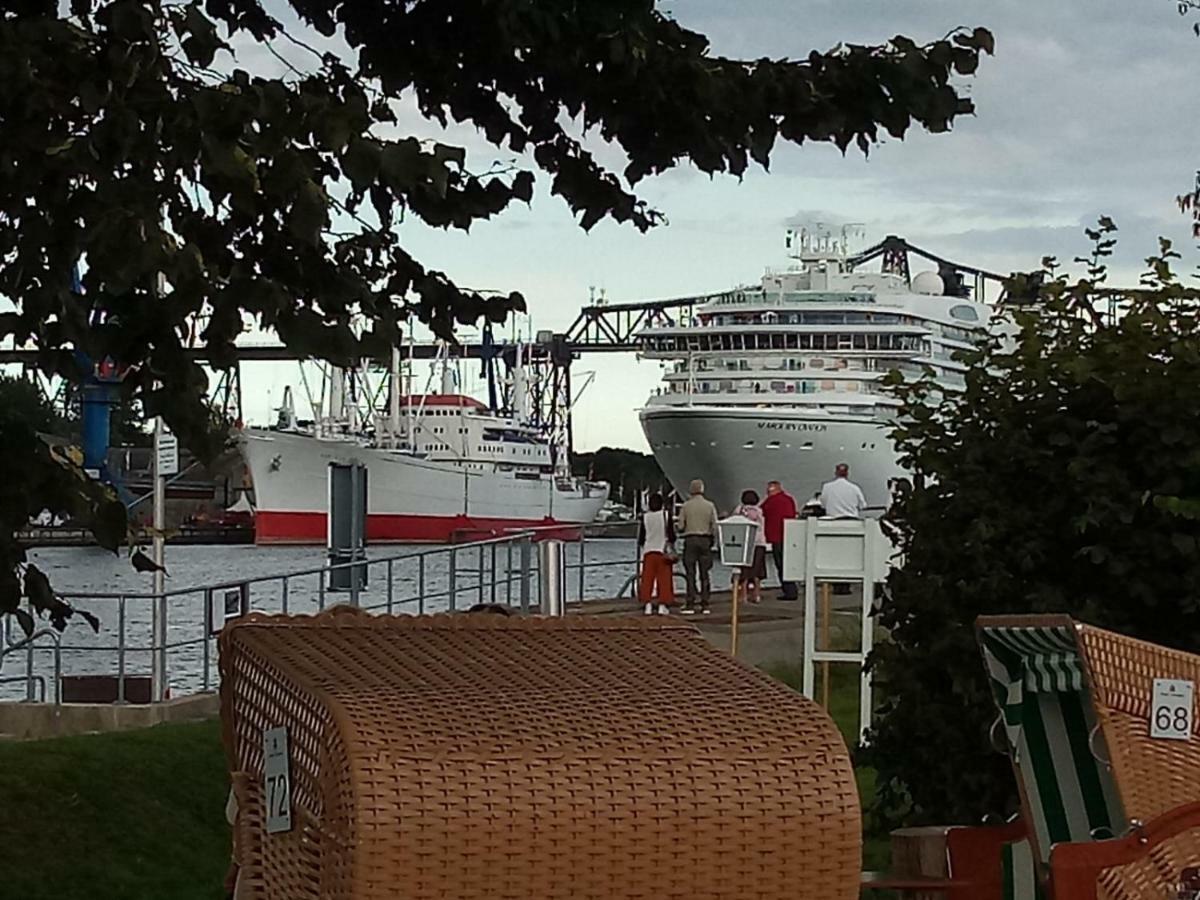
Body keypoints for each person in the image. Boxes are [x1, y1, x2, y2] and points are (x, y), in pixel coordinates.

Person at [676, 478, 718, 615]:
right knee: (705, 573)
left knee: (690, 573)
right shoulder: (710, 505)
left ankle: (690, 603)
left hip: (690, 539)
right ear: (702, 489)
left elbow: (681, 526)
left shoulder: (685, 506)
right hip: (705, 540)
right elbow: (715, 526)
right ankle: (705, 604)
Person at [637, 493, 676, 615]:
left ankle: (647, 604)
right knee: (664, 579)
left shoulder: (645, 517)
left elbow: (641, 538)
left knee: (647, 579)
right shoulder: (665, 515)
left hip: (649, 551)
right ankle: (662, 605)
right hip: (662, 551)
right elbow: (671, 534)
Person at [760, 480, 798, 600]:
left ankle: (789, 591)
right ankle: (792, 589)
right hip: (789, 536)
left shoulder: (771, 501)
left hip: (777, 536)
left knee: (781, 564)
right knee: (788, 564)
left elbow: (762, 511)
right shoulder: (789, 499)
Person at [732, 489, 767, 603]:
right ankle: (757, 595)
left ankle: (744, 596)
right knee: (758, 571)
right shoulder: (759, 511)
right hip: (759, 543)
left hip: (746, 543)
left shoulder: (740, 510)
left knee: (745, 571)